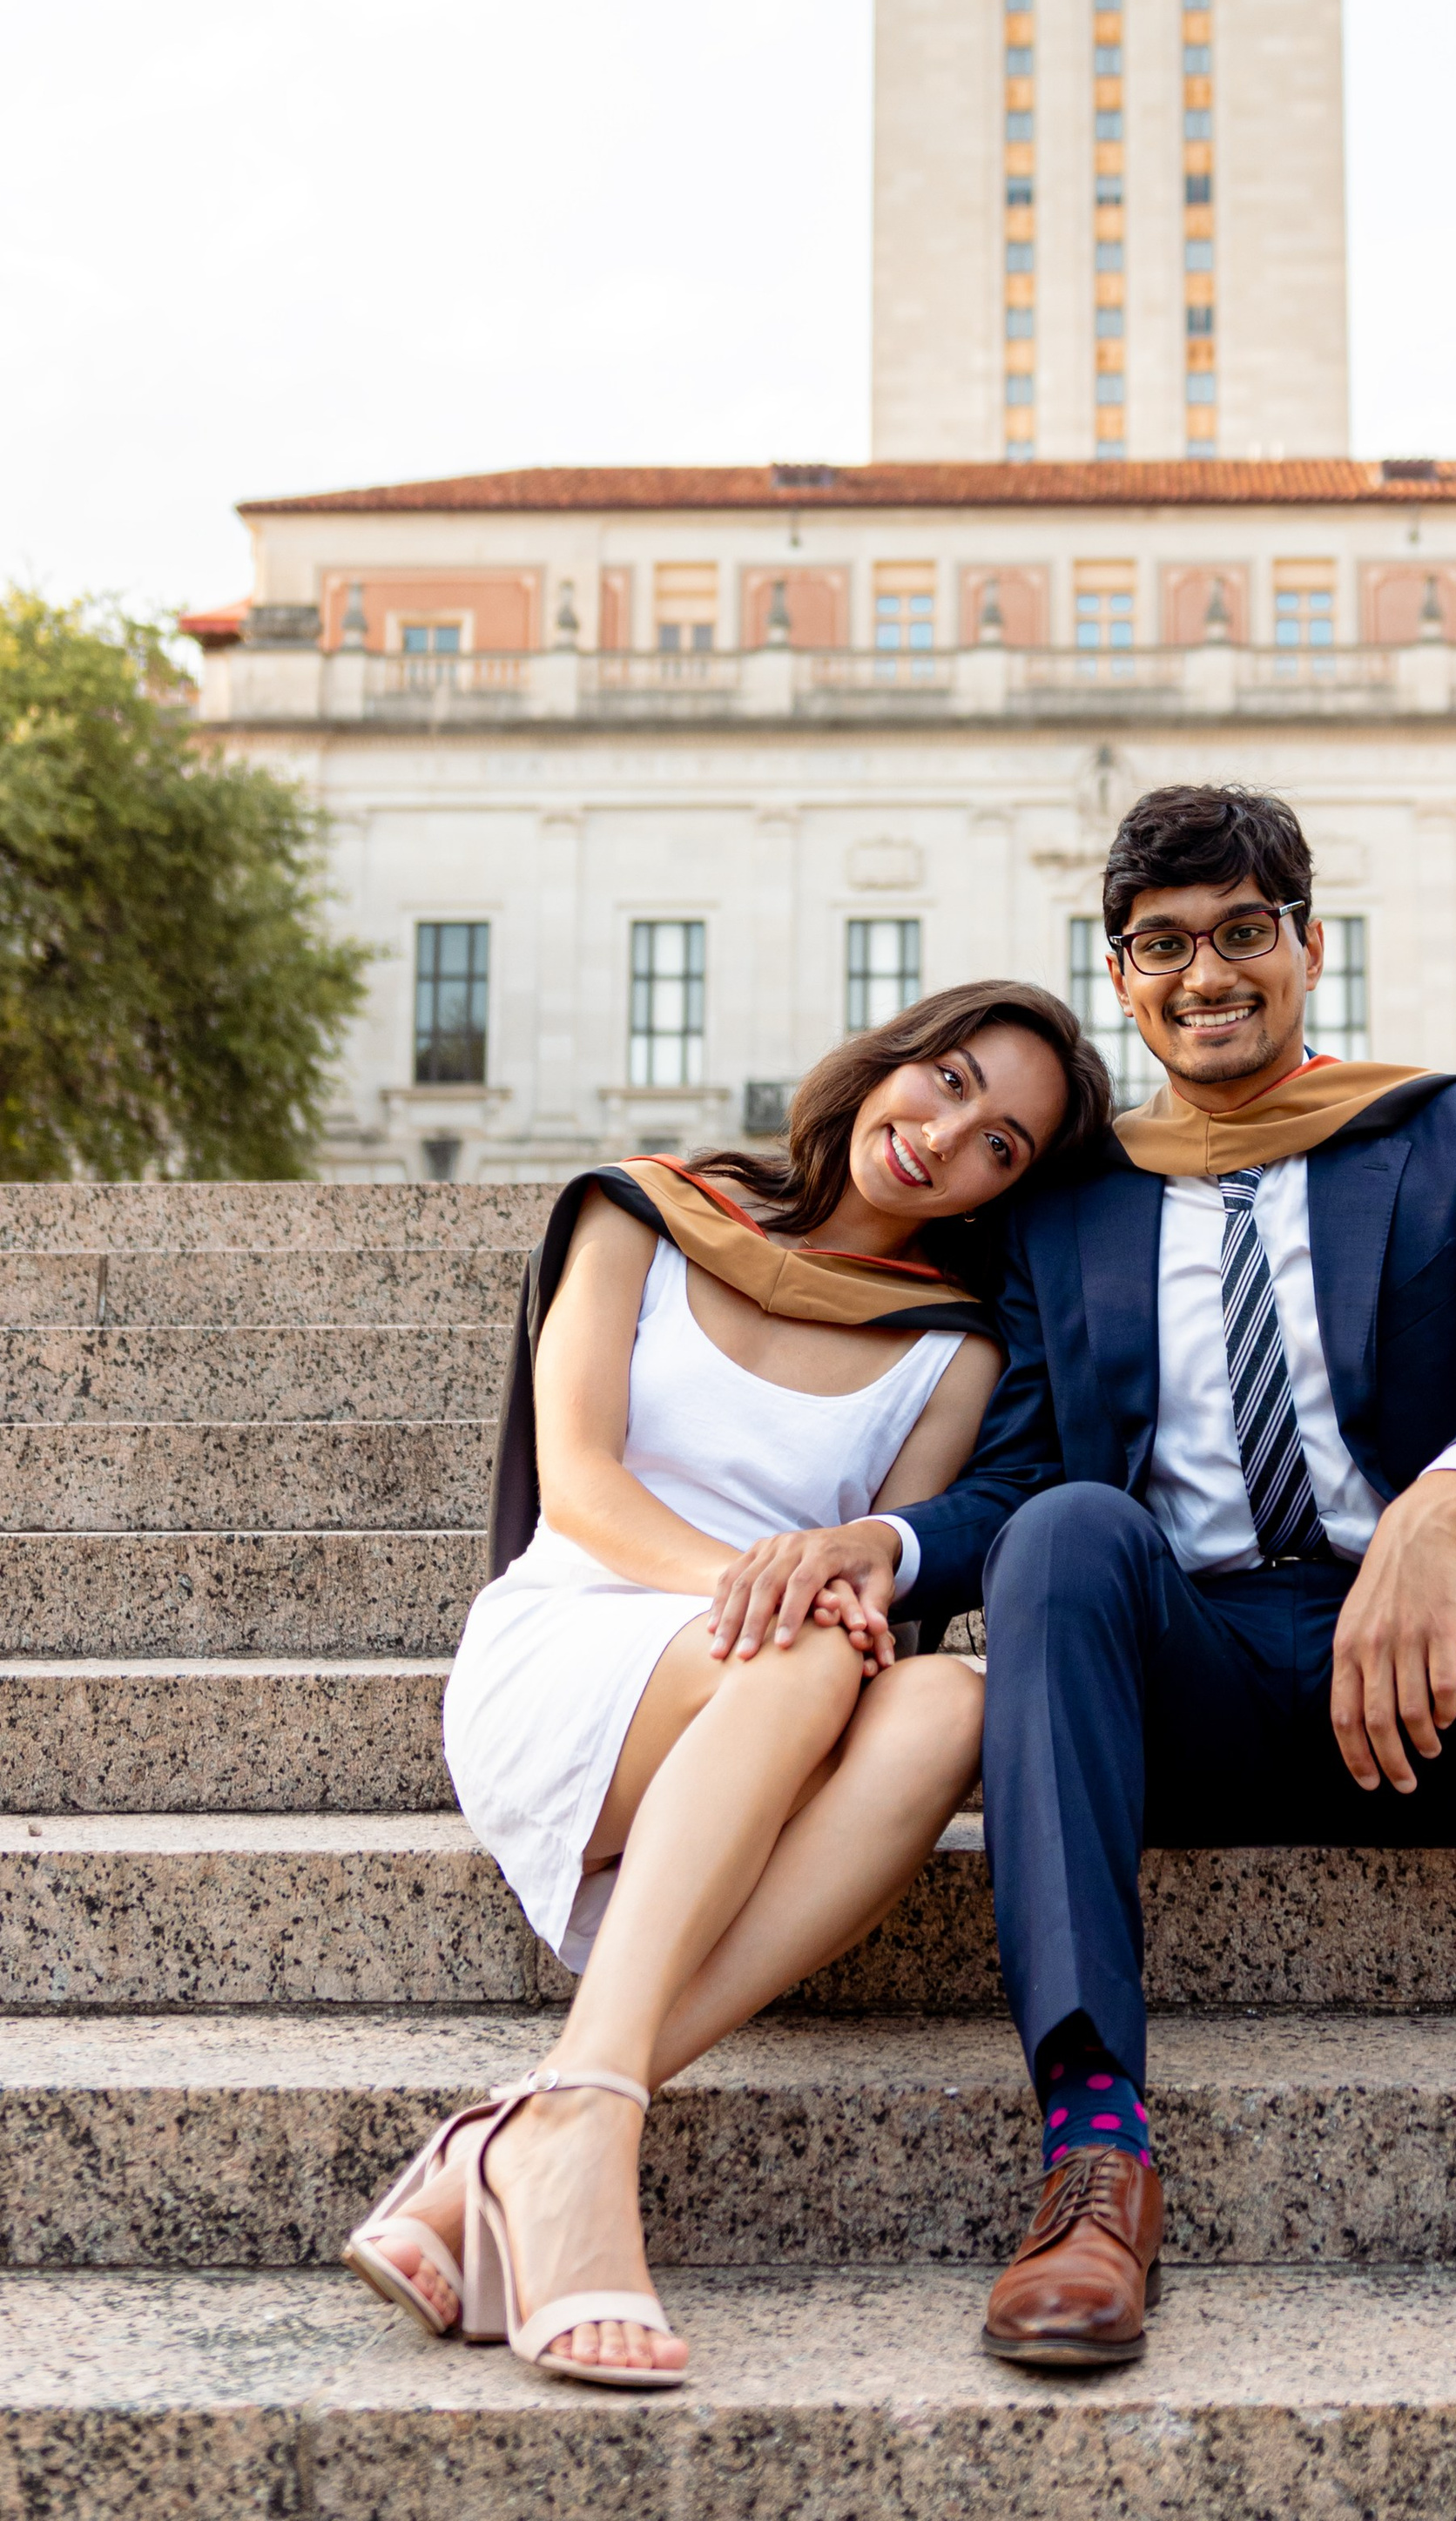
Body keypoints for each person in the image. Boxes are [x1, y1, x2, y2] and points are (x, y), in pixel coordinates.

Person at [886, 782, 1456, 2366]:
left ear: (1311, 946)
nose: (1209, 973)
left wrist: (1439, 1510)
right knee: (1063, 1531)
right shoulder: (1069, 1202)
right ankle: (1094, 2156)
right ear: (1121, 973)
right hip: (1189, 1693)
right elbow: (1019, 1476)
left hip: (1436, 1686)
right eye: (1164, 944)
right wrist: (888, 1549)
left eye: (1245, 931)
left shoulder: (1449, 1133)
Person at [340, 981, 1110, 2390]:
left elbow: (889, 1592)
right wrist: (753, 1584)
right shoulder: (642, 1211)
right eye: (945, 1082)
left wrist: (805, 1599)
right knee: (808, 1629)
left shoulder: (954, 1346)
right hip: (576, 1641)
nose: (947, 1136)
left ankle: (551, 2112)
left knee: (950, 1703)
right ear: (890, 1061)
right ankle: (568, 2147)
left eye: (1003, 1142)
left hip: (763, 1699)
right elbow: (577, 1485)